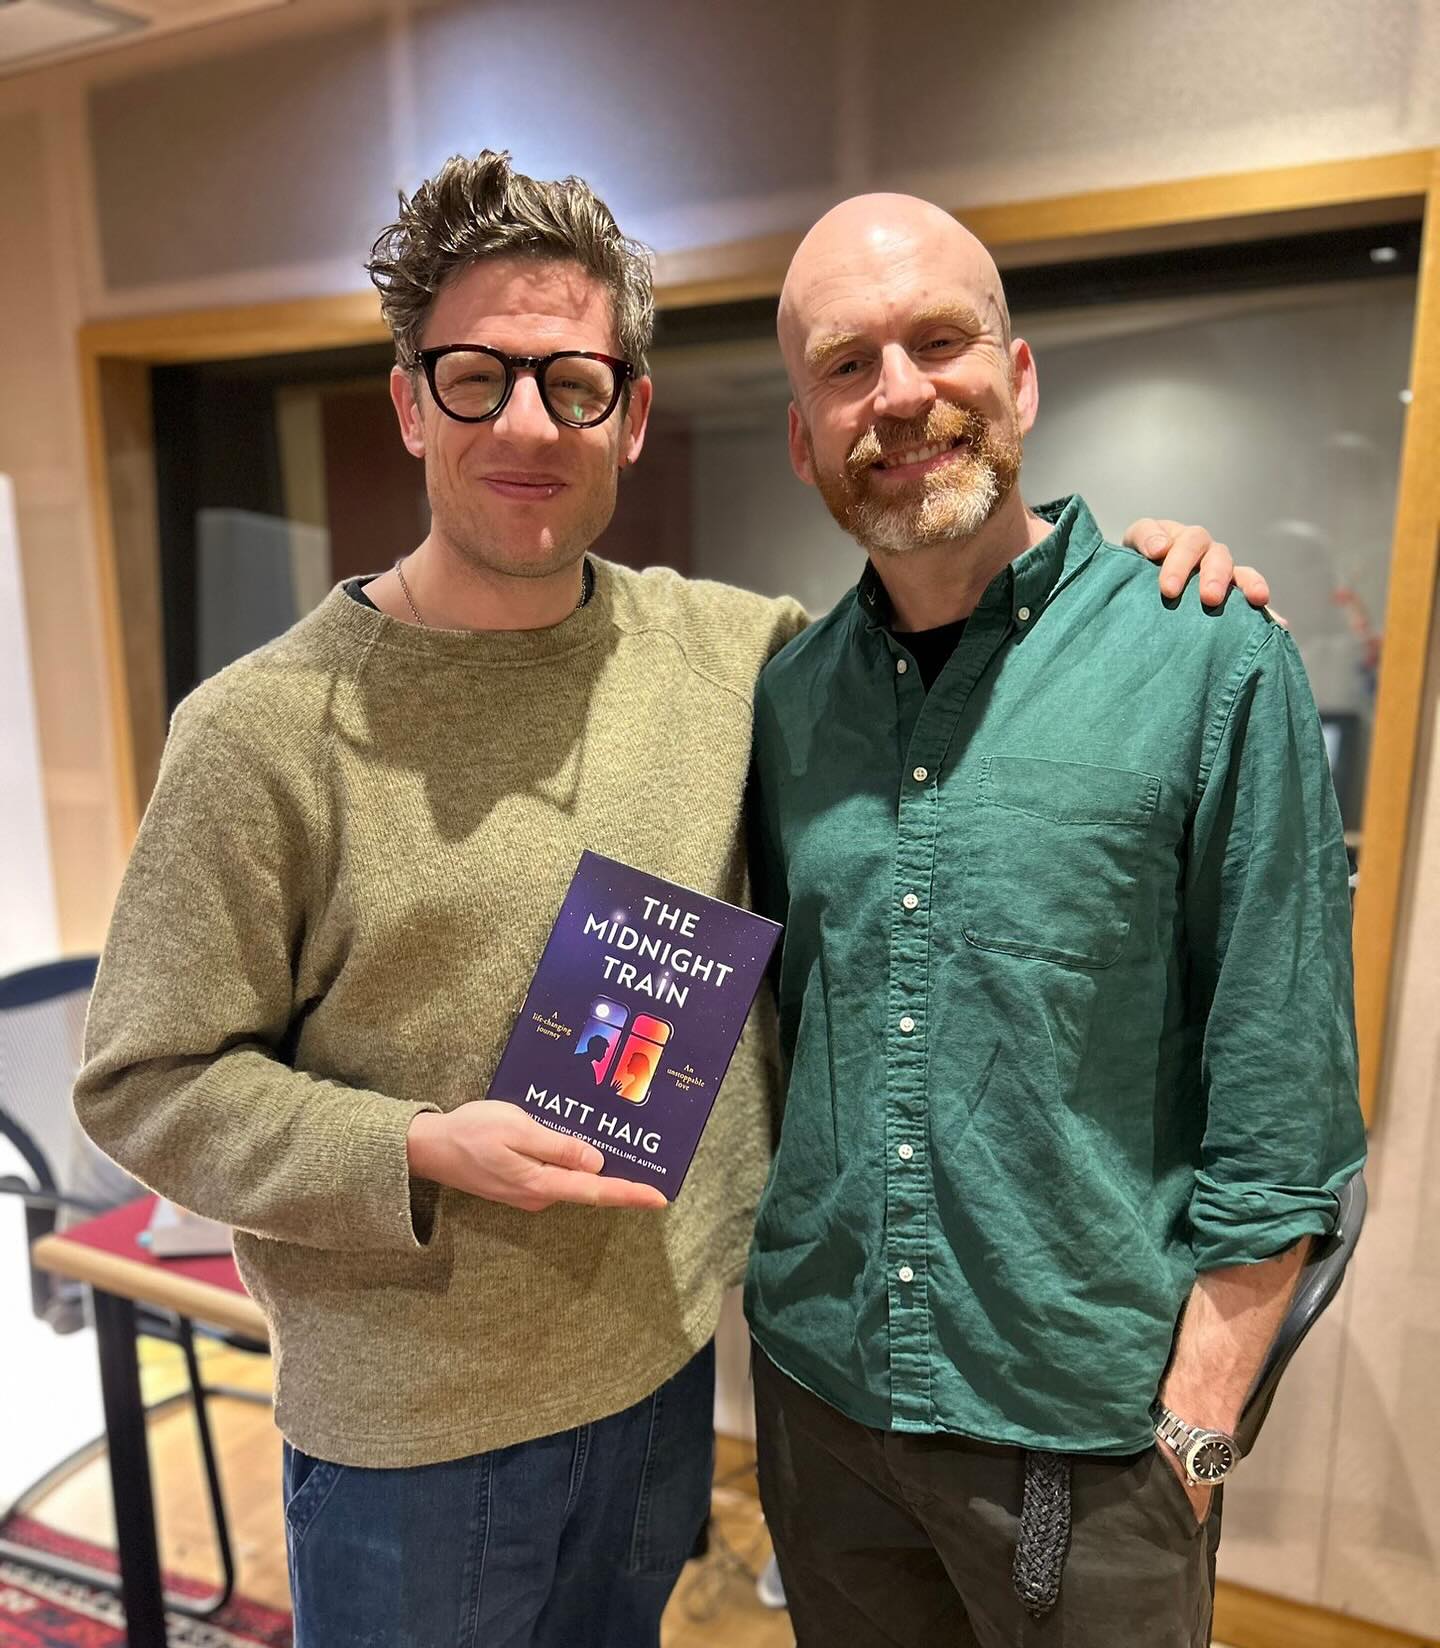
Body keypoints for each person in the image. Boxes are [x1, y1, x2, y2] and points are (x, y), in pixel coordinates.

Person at [73, 153, 1261, 1648]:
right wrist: (416, 1147)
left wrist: (1145, 584)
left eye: (570, 382)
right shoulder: (259, 731)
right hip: (413, 1441)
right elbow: (142, 1080)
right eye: (473, 376)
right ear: (406, 402)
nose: (523, 422)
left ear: (628, 416)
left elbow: (953, 611)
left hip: (660, 1390)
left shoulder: (736, 657)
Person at [744, 192, 1367, 1647]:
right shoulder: (786, 702)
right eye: (845, 366)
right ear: (803, 435)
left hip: (1088, 1447)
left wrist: (1198, 1429)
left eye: (939, 341)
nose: (899, 394)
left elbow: (1282, 1104)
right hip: (823, 1408)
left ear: (1017, 378)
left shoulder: (1209, 657)